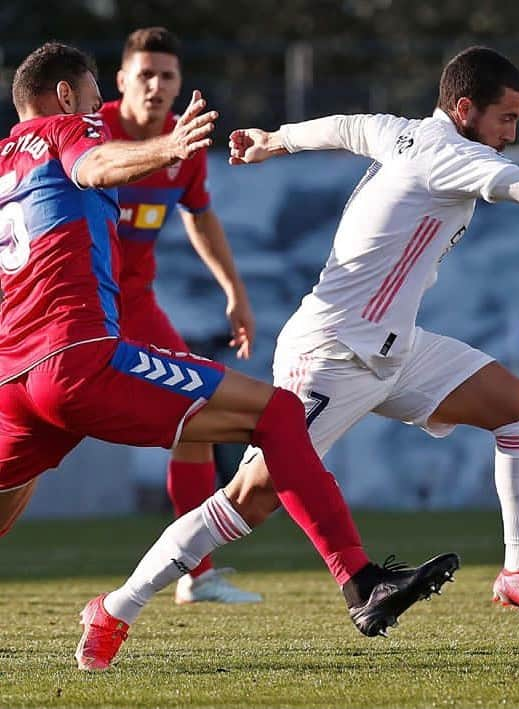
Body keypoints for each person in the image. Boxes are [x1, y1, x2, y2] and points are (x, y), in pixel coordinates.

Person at [0, 42, 459, 672]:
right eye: (93, 94)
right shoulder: (68, 128)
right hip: (76, 359)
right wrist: (166, 146)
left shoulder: (4, 160)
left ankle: (133, 604)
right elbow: (96, 163)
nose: (99, 110)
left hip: (13, 380)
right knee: (277, 413)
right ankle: (360, 581)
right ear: (64, 96)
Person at [225, 45, 519, 625]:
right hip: (333, 349)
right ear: (466, 108)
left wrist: (276, 138)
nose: (513, 133)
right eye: (508, 118)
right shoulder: (452, 157)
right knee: (255, 494)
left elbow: (346, 126)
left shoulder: (400, 132)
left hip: (391, 345)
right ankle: (121, 604)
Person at [99, 27, 258, 606]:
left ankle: (196, 572)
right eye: (146, 74)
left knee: (197, 413)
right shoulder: (91, 133)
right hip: (69, 307)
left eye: (168, 75)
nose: (158, 85)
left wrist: (234, 291)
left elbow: (200, 216)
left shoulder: (183, 145)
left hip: (135, 305)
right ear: (120, 82)